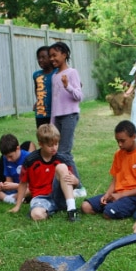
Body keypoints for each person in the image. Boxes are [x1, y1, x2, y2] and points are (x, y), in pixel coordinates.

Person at [81, 120, 136, 220]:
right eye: (117, 141)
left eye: (123, 141)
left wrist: (122, 195)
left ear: (134, 137)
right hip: (117, 194)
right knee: (85, 207)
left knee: (108, 213)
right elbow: (115, 178)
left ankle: (116, 208)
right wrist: (107, 194)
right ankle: (114, 206)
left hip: (135, 198)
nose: (119, 144)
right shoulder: (118, 154)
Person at [10, 123, 79, 222]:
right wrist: (17, 206)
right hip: (40, 198)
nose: (54, 148)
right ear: (40, 144)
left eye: (56, 144)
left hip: (60, 195)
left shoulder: (62, 159)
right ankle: (49, 210)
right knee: (36, 215)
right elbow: (23, 183)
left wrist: (75, 181)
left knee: (62, 167)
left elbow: (73, 183)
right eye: (50, 145)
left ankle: (72, 210)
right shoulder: (30, 160)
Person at [48, 42, 82, 183]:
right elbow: (55, 102)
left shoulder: (72, 72)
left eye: (54, 55)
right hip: (58, 118)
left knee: (64, 152)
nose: (51, 59)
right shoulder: (54, 76)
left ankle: (78, 184)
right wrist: (51, 123)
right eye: (50, 56)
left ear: (64, 54)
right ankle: (63, 180)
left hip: (70, 115)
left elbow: (79, 96)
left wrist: (67, 86)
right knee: (57, 152)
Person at [0, 133, 33, 197]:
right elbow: (9, 180)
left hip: (27, 188)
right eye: (6, 157)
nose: (8, 159)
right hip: (14, 189)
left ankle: (9, 197)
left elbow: (34, 184)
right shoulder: (6, 159)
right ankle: (10, 197)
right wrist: (3, 186)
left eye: (10, 156)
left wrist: (16, 186)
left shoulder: (29, 158)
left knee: (31, 189)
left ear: (18, 148)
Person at [32, 46, 55, 128]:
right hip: (40, 113)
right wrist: (38, 100)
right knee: (42, 137)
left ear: (50, 58)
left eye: (43, 57)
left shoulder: (57, 72)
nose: (40, 60)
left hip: (54, 113)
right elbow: (37, 88)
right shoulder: (36, 75)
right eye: (38, 58)